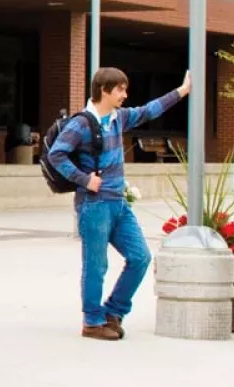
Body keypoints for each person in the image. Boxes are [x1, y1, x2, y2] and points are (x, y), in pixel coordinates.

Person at [49, 66, 191, 340]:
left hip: (119, 203)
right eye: (120, 89)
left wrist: (182, 92)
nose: (125, 95)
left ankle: (113, 312)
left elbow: (150, 110)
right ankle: (92, 322)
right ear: (104, 90)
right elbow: (57, 155)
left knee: (140, 257)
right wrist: (84, 179)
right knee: (96, 265)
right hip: (94, 205)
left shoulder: (119, 118)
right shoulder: (82, 123)